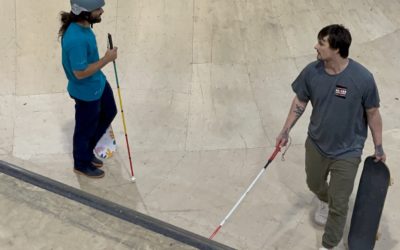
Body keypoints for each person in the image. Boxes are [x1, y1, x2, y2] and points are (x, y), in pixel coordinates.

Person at [275, 24, 386, 249]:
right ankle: (324, 198)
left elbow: (373, 113)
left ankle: (329, 244)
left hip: (348, 151)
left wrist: (379, 146)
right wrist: (285, 130)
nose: (316, 46)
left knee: (340, 204)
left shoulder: (363, 78)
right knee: (313, 182)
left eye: (321, 43)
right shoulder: (311, 71)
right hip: (316, 143)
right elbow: (300, 101)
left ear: (336, 49)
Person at [59, 0, 118, 178]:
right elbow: (80, 73)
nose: (101, 11)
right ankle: (81, 163)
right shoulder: (76, 39)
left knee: (109, 111)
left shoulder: (84, 27)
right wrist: (106, 59)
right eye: (97, 9)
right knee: (85, 129)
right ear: (84, 13)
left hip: (98, 83)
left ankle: (88, 151)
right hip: (86, 92)